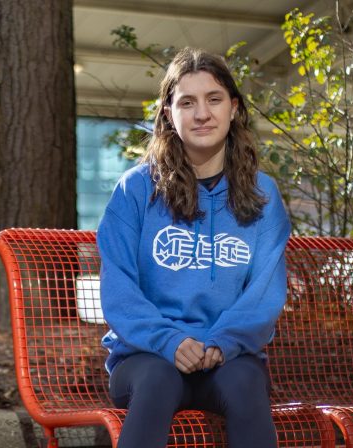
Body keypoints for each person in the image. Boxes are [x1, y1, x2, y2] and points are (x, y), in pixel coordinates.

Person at [96, 47, 291, 448]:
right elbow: (119, 291)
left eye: (214, 99)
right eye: (187, 102)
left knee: (246, 384)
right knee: (157, 379)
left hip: (228, 357)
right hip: (144, 356)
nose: (202, 113)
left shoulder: (263, 195)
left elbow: (263, 296)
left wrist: (222, 342)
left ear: (233, 108)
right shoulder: (135, 190)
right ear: (169, 113)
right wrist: (169, 342)